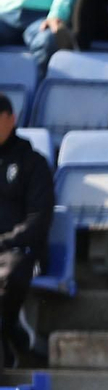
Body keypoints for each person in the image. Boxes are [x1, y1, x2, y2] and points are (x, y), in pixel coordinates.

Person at [0, 94, 51, 369]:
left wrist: (6, 240)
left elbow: (38, 219)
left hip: (18, 252)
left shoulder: (33, 163)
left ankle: (11, 330)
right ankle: (12, 338)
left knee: (11, 274)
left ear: (11, 119)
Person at [0, 0, 77, 70]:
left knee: (47, 40)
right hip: (4, 15)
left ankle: (39, 79)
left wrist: (57, 14)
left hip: (45, 18)